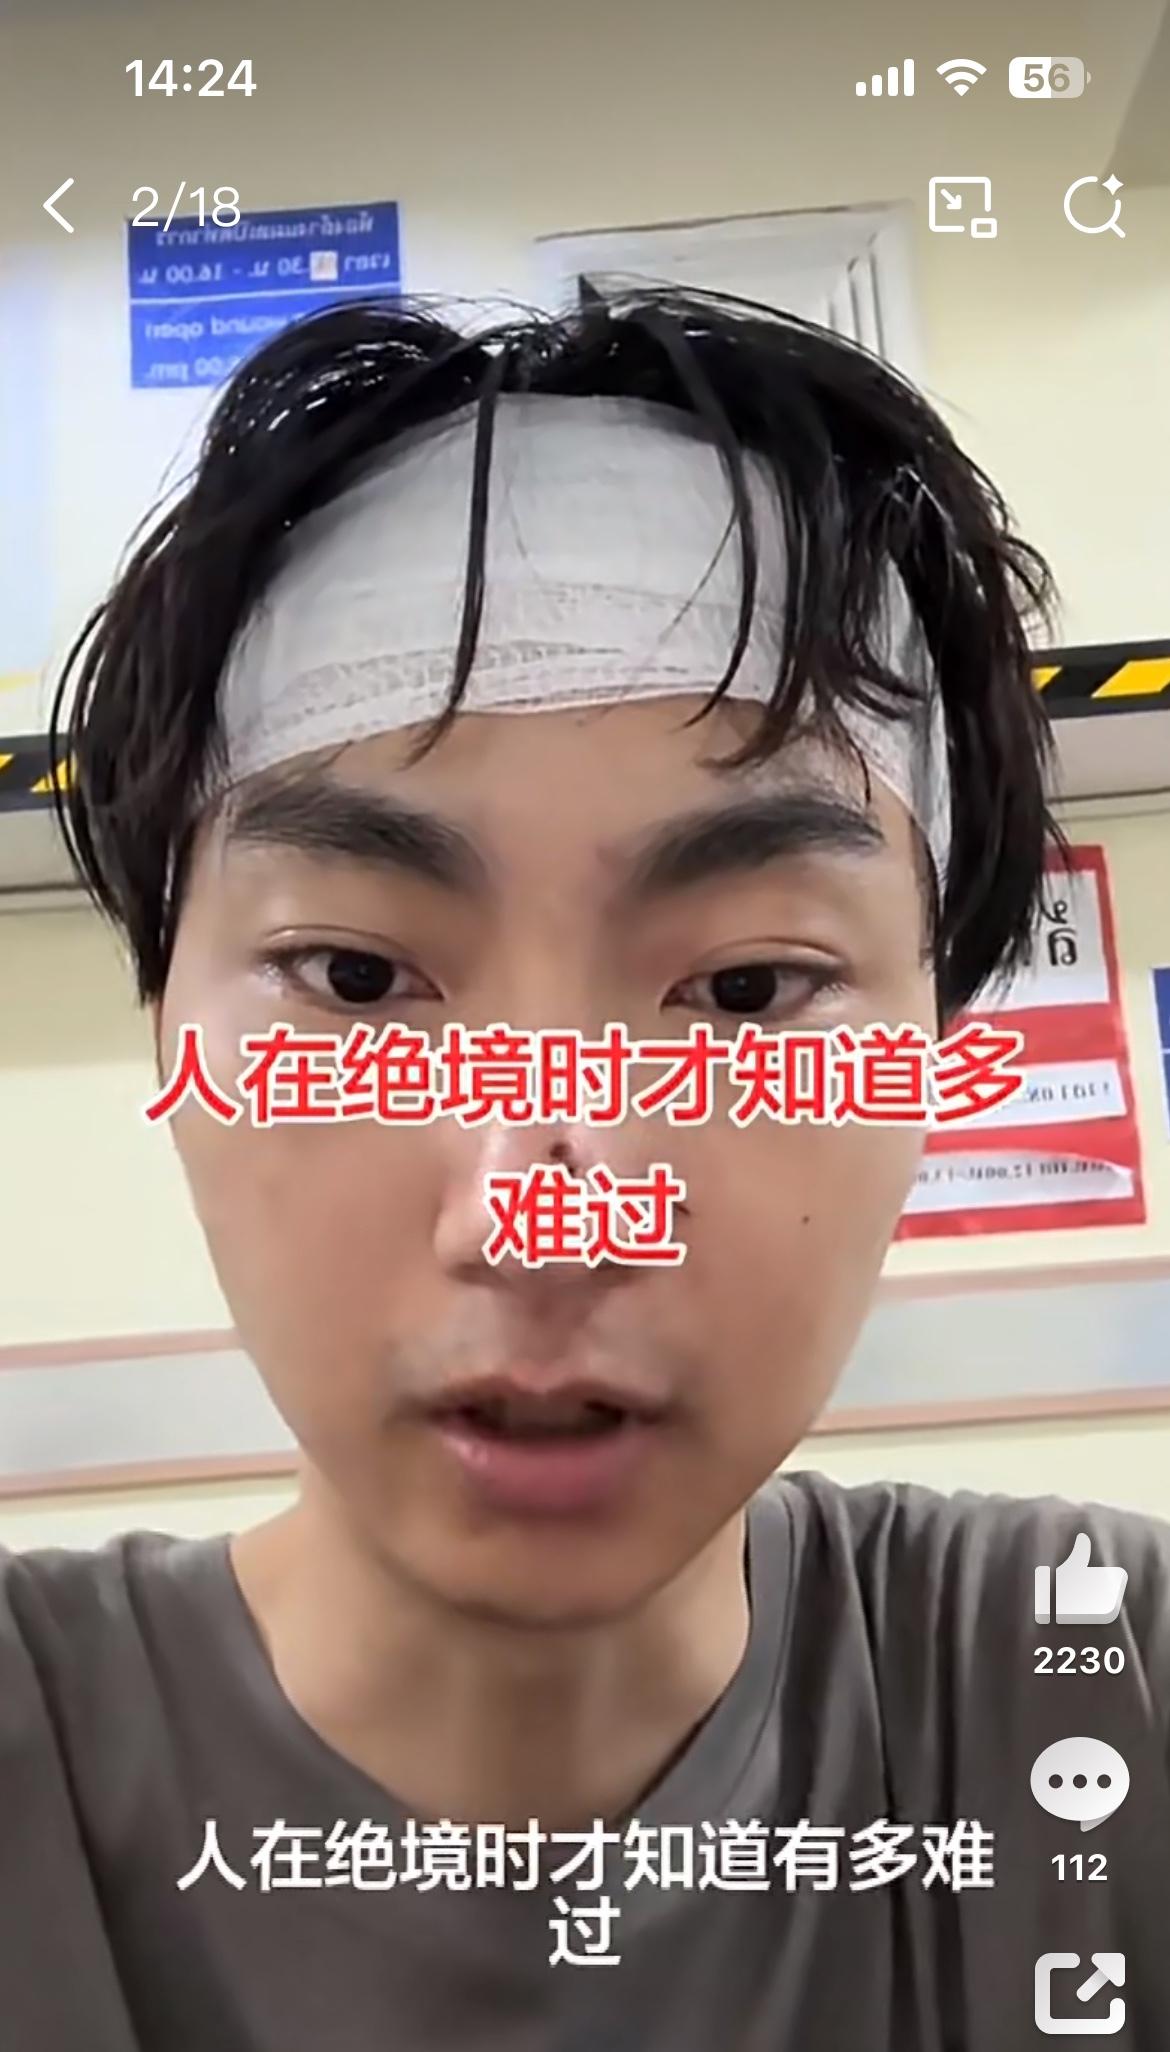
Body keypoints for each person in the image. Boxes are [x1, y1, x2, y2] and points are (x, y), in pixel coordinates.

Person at [4, 287, 1168, 2049]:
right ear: (170, 1020)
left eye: (748, 990)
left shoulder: (1101, 1688)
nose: (545, 1212)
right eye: (355, 979)